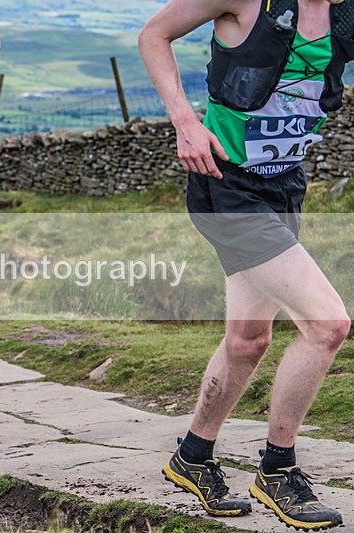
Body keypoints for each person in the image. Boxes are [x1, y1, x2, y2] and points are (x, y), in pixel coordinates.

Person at [139, 0, 351, 529]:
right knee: (326, 325)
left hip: (284, 185)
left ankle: (192, 455)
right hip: (227, 186)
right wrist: (184, 120)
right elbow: (154, 35)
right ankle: (277, 469)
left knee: (248, 340)